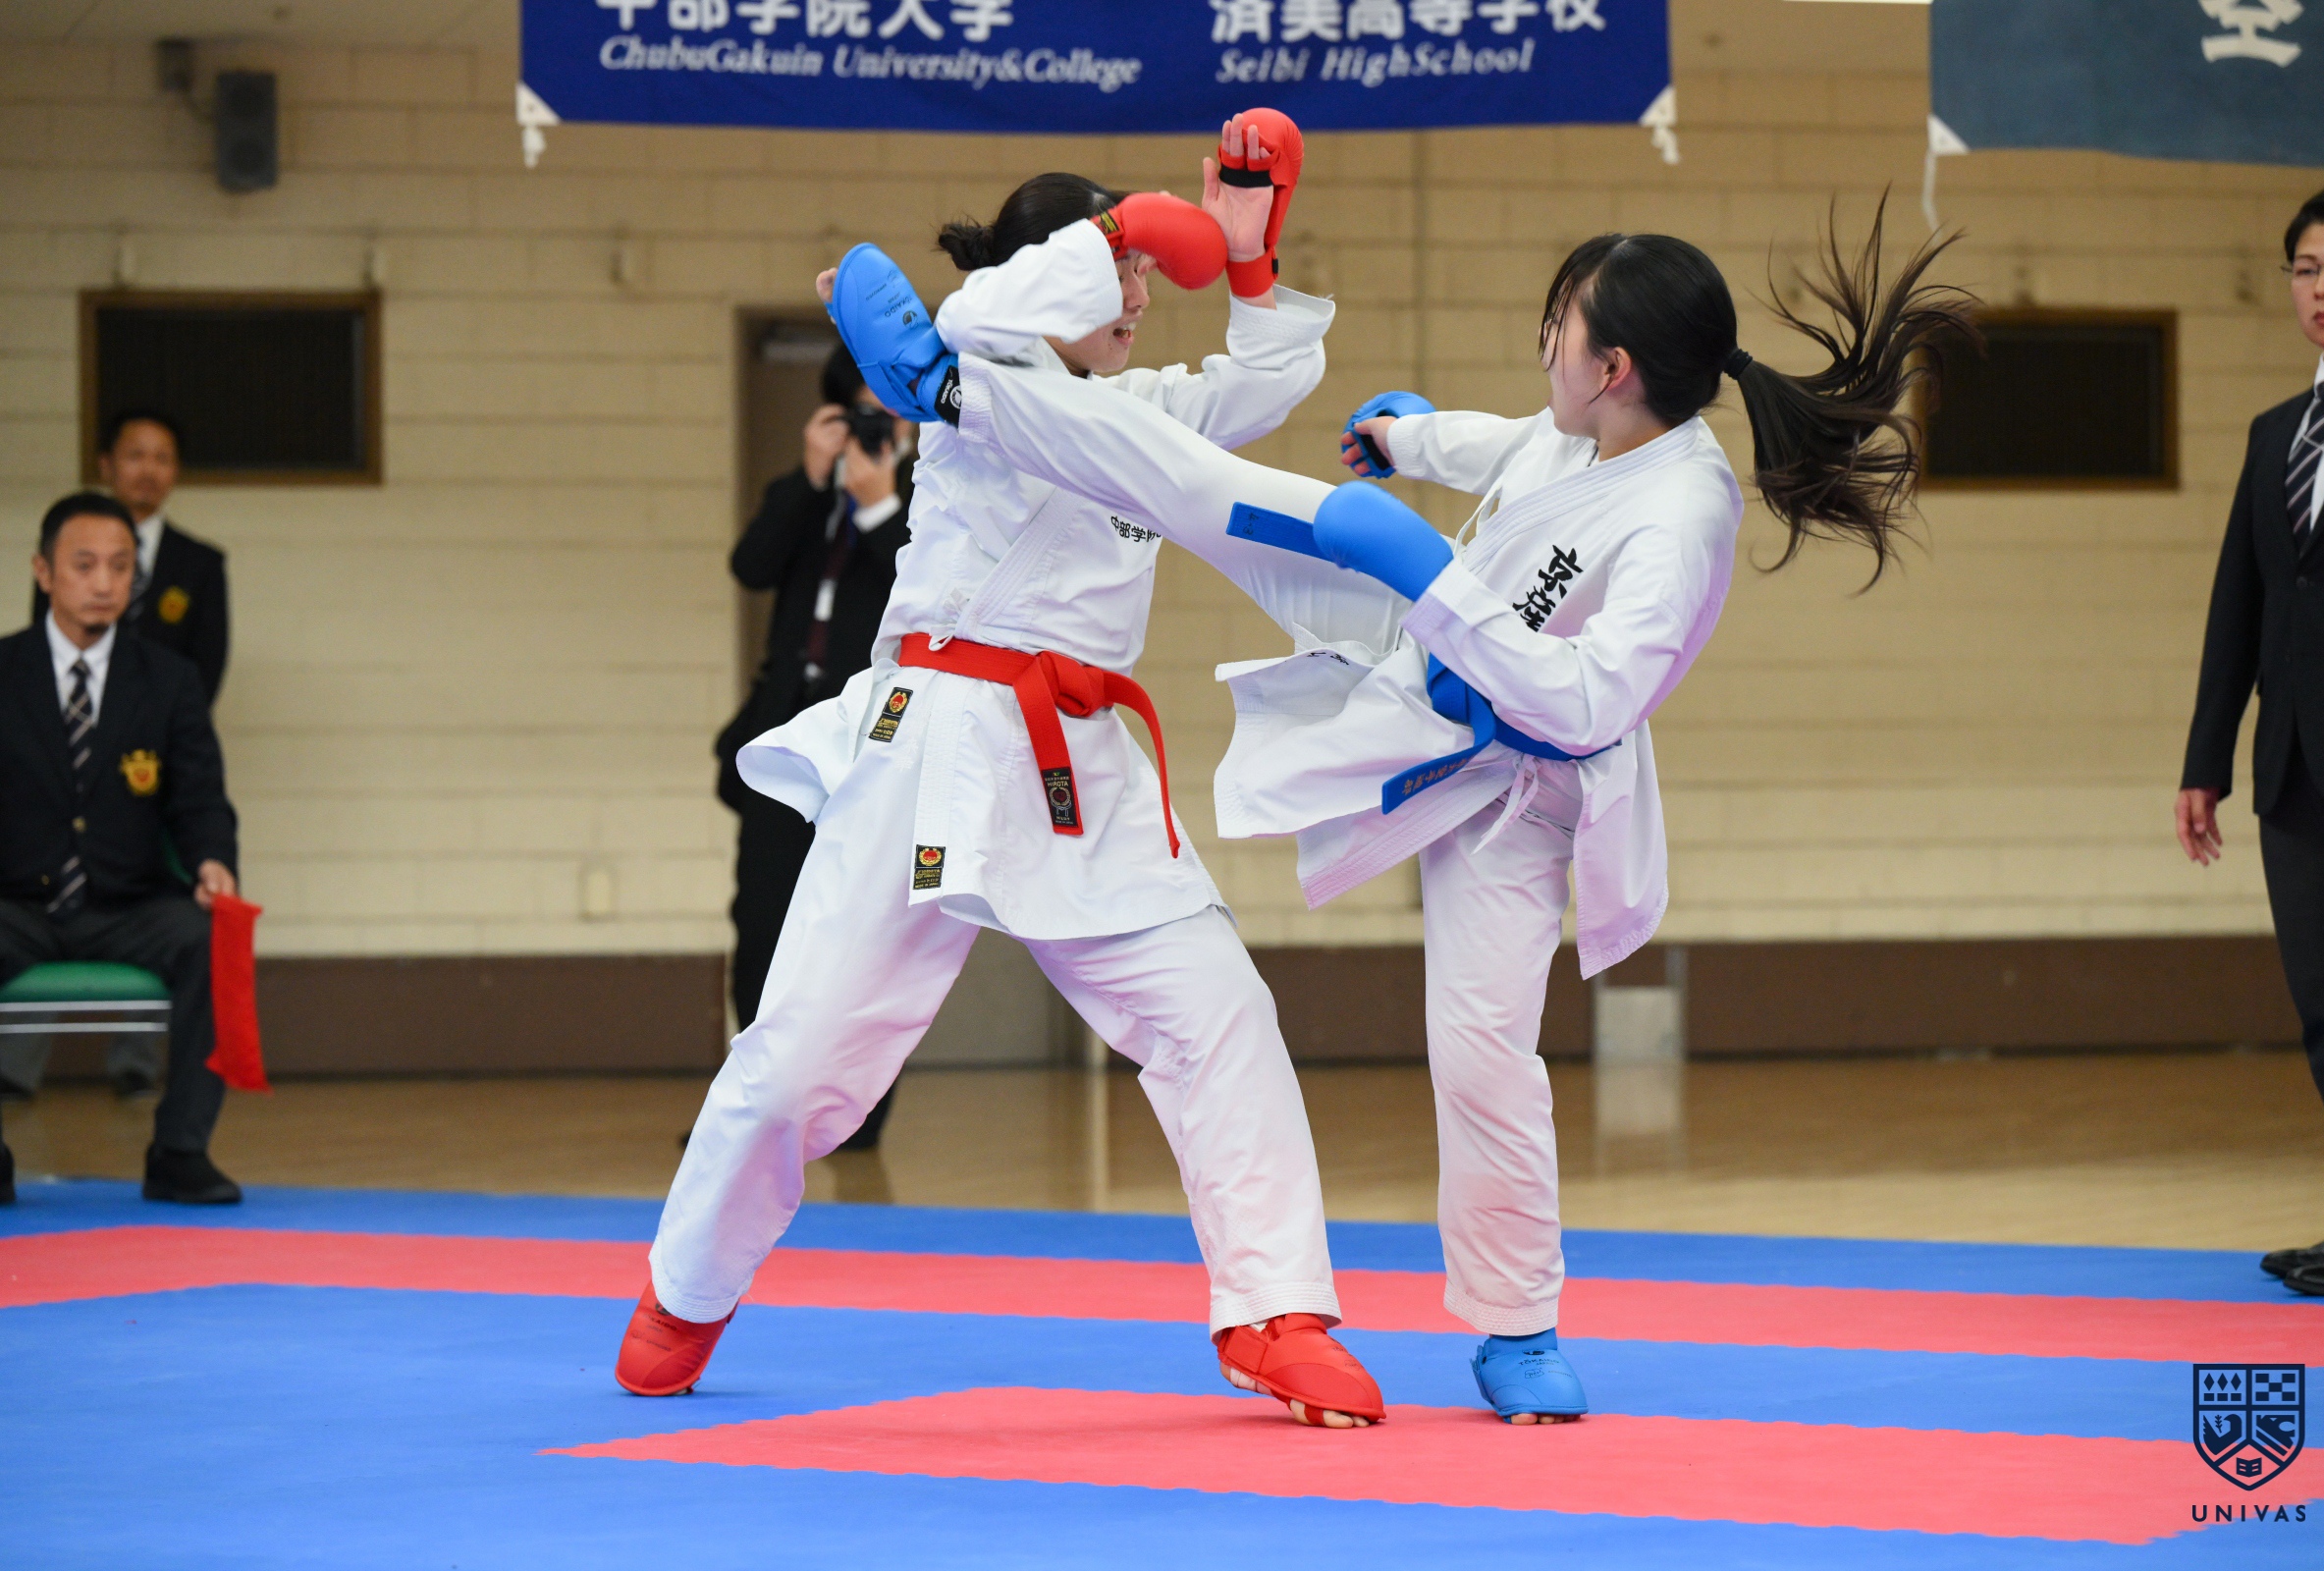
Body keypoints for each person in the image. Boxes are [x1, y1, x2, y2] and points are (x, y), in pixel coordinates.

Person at [916, 200, 1970, 1420]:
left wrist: (1431, 576)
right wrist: (1410, 439)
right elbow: (1509, 445)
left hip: (1524, 783)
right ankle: (965, 396)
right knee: (1223, 507)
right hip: (1425, 662)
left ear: (1613, 369)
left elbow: (1591, 701)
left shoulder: (1683, 516)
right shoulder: (1590, 435)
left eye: (1559, 327)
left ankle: (1519, 1326)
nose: (1544, 344)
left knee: (1480, 1051)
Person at [617, 113, 1392, 1432]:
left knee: (1218, 1010)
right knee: (801, 1054)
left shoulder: (1144, 412)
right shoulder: (971, 370)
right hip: (936, 737)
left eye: (1142, 276)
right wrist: (1129, 224)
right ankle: (686, 1290)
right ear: (1051, 273)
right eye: (1116, 272)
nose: (1137, 296)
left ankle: (1276, 1311)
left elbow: (1268, 380)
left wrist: (1249, 257)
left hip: (1082, 763)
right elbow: (983, 310)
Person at [2180, 177, 2324, 1299]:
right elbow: (2238, 607)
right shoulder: (2275, 433)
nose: (2321, 289)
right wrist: (2206, 761)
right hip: (2292, 766)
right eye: (2306, 270)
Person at [0, 493, 243, 1206]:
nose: (104, 583)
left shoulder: (168, 679)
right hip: (17, 901)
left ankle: (180, 1152)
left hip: (128, 903)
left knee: (212, 936)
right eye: (84, 565)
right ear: (44, 572)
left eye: (120, 566)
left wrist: (212, 861)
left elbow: (200, 797)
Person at [718, 346, 913, 1150]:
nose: (876, 424)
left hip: (875, 751)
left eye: (892, 405)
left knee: (867, 940)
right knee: (760, 924)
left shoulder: (935, 501)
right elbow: (751, 565)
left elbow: (927, 593)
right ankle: (753, 1113)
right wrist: (810, 477)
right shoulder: (801, 494)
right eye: (862, 409)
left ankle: (854, 1121)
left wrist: (879, 506)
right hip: (785, 745)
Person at [36, 411, 231, 705]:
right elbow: (43, 640)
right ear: (106, 465)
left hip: (166, 720)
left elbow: (207, 667)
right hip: (74, 711)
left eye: (162, 458)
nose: (148, 470)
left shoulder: (202, 562)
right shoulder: (66, 547)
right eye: (135, 455)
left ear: (176, 470)